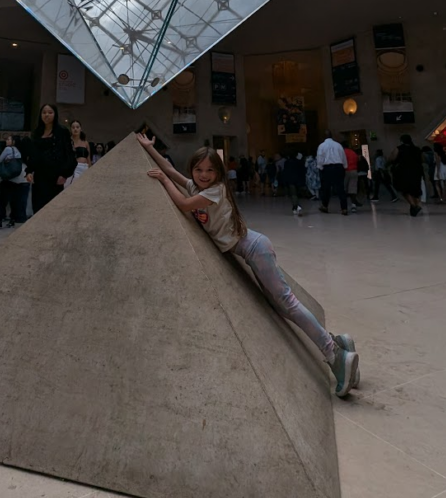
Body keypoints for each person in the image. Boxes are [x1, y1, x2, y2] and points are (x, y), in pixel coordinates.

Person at [136, 134, 360, 397]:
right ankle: (340, 344)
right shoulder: (198, 188)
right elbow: (172, 170)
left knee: (287, 303)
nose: (203, 175)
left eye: (210, 170)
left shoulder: (213, 192)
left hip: (255, 248)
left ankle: (333, 355)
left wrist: (162, 181)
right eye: (198, 170)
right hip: (252, 249)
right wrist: (151, 150)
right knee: (283, 305)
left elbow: (184, 204)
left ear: (218, 173)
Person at [25, 104, 76, 213]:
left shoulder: (62, 132)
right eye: (44, 112)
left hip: (56, 177)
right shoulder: (36, 133)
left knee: (54, 210)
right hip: (39, 177)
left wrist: (64, 174)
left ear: (55, 114)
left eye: (50, 112)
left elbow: (69, 155)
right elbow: (33, 154)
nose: (46, 115)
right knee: (38, 209)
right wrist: (29, 170)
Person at [389, 134, 423, 216]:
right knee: (415, 189)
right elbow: (422, 159)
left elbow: (391, 158)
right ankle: (416, 205)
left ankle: (413, 205)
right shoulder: (417, 149)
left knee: (404, 189)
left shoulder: (399, 149)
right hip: (416, 171)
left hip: (403, 172)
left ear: (401, 141)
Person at [0, 134, 22, 228]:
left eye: (8, 139)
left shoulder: (8, 149)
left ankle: (0, 220)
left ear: (13, 141)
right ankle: (12, 220)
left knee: (3, 200)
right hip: (15, 179)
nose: (6, 141)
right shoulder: (18, 151)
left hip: (6, 178)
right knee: (13, 200)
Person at [317, 131, 348, 215]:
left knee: (326, 188)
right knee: (340, 188)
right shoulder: (338, 145)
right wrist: (345, 166)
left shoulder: (322, 146)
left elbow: (320, 157)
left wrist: (320, 167)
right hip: (338, 167)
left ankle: (325, 206)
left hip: (327, 168)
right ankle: (344, 208)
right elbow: (343, 156)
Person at [66, 119, 90, 185]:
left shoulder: (85, 142)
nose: (75, 129)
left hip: (85, 167)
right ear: (71, 129)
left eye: (77, 127)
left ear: (80, 129)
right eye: (73, 127)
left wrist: (90, 168)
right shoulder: (68, 142)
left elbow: (88, 157)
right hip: (75, 167)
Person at [281, 151, 306, 215]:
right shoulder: (300, 162)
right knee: (297, 194)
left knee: (293, 194)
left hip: (290, 180)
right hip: (298, 180)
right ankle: (296, 207)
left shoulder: (287, 162)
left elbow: (285, 172)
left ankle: (296, 206)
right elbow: (303, 171)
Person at [343, 142, 362, 213]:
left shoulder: (343, 152)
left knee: (344, 189)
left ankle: (344, 206)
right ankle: (353, 205)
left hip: (346, 171)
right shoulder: (353, 152)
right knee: (353, 188)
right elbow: (358, 160)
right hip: (354, 170)